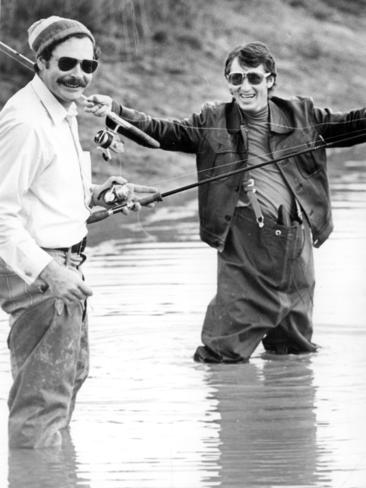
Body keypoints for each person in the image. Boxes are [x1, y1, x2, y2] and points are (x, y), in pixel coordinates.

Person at [85, 41, 366, 364]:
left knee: (293, 350)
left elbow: (354, 125)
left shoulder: (302, 114)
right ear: (228, 82)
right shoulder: (212, 120)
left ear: (270, 80)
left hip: (297, 244)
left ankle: (288, 409)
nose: (245, 87)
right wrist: (116, 112)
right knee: (222, 351)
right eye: (236, 79)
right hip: (243, 244)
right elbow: (165, 132)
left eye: (253, 78)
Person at [0, 16, 156, 448]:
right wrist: (51, 272)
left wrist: (104, 196)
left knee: (69, 376)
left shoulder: (60, 111)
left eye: (89, 66)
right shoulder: (27, 123)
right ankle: (34, 469)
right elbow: (1, 215)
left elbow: (46, 192)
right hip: (44, 272)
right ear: (41, 61)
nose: (79, 75)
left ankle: (53, 472)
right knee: (43, 398)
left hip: (65, 264)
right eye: (67, 63)